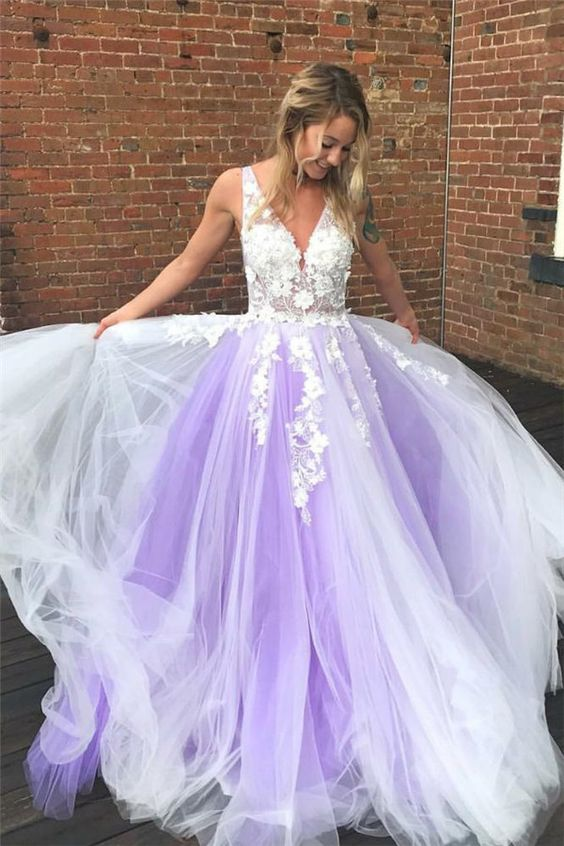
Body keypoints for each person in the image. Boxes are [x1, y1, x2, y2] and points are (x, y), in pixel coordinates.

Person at [1, 61, 564, 846]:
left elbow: (379, 261)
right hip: (256, 385)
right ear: (294, 123)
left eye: (345, 147)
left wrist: (405, 314)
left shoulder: (349, 196)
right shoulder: (235, 188)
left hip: (338, 383)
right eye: (326, 143)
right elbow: (189, 262)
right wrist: (125, 313)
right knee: (244, 536)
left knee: (349, 530)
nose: (333, 159)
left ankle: (349, 670)